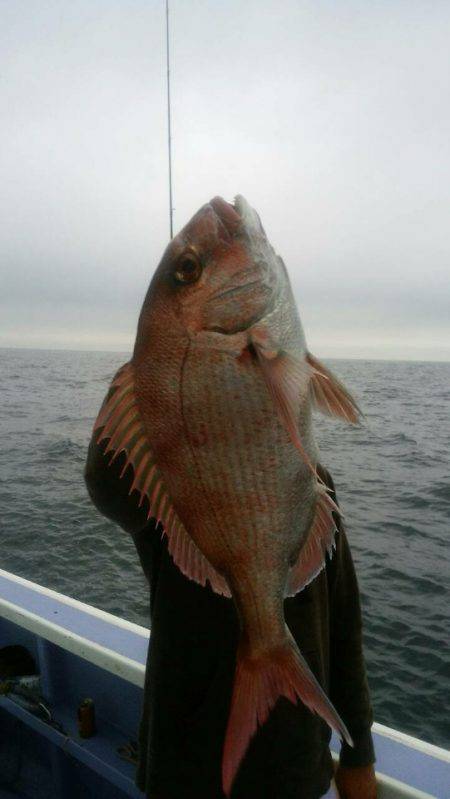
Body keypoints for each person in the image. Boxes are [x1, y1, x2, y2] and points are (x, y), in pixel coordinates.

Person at [85, 435, 377, 799]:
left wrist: (359, 754)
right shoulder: (163, 479)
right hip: (187, 771)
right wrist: (140, 378)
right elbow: (106, 484)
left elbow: (344, 623)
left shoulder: (315, 481)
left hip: (298, 766)